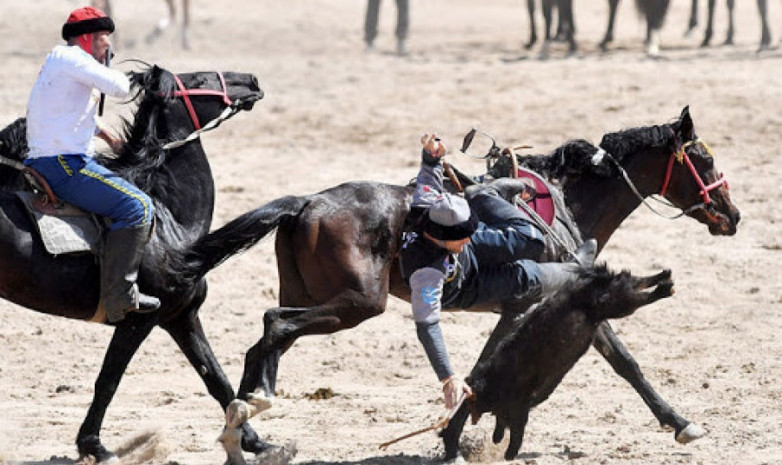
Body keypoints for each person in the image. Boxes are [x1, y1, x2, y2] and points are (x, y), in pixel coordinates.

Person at [399, 134, 596, 410]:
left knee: (531, 239)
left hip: (460, 256)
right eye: (462, 236)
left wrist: (430, 156)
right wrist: (448, 378)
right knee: (524, 276)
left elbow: (428, 176)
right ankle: (576, 269)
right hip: (465, 285)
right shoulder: (427, 275)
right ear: (442, 239)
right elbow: (427, 326)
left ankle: (485, 193)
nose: (468, 237)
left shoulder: (429, 206)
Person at [25, 6, 160, 323]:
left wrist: (108, 135)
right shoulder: (75, 59)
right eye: (103, 38)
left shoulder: (60, 60)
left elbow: (66, 112)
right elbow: (120, 88)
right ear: (86, 38)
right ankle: (119, 297)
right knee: (139, 206)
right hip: (64, 166)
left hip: (51, 158)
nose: (107, 45)